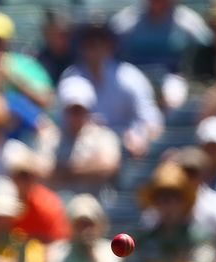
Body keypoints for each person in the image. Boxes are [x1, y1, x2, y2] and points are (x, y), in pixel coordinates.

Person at [61, 18, 164, 158]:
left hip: (126, 149)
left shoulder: (129, 76)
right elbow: (60, 120)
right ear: (82, 47)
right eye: (90, 43)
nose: (96, 49)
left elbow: (151, 120)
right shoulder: (71, 76)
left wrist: (141, 135)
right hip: (84, 150)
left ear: (111, 46)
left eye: (101, 43)